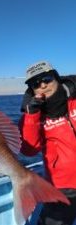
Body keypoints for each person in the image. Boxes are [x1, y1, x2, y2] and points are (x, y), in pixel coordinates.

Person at [19, 60, 76, 225]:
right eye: (36, 84)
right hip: (62, 187)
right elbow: (29, 150)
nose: (43, 85)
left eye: (47, 79)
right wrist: (32, 116)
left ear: (56, 77)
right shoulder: (31, 115)